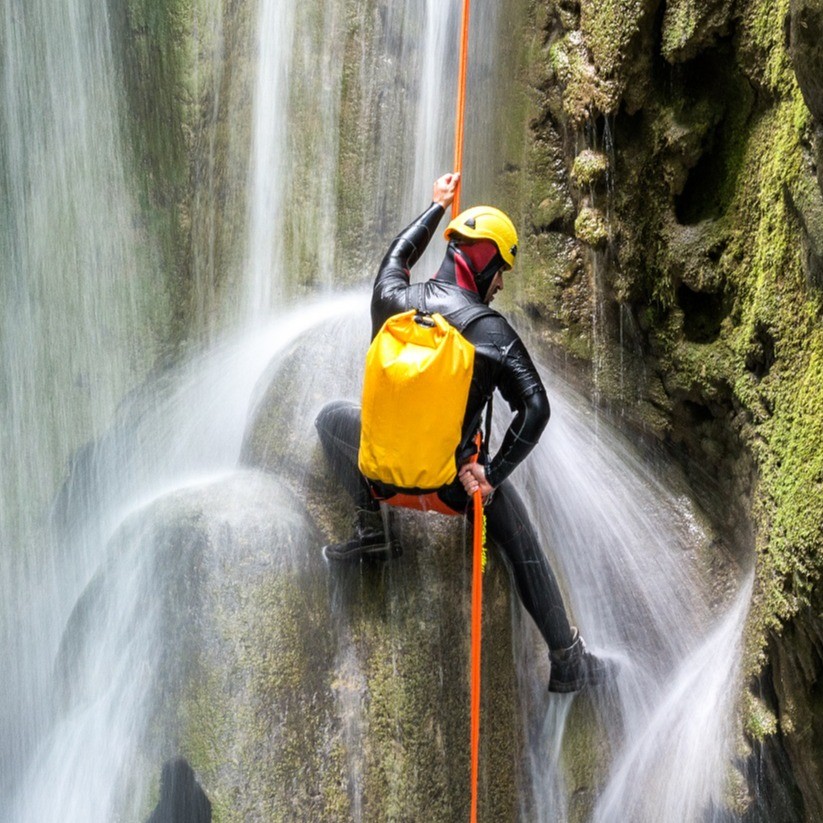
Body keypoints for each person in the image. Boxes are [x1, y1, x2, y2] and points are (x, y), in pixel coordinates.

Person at [315, 172, 609, 693]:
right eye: (501, 271)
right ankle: (567, 657)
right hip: (452, 491)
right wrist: (490, 474)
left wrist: (435, 208)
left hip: (382, 477)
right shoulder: (490, 332)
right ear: (485, 259)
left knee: (329, 420)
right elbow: (536, 409)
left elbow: (396, 257)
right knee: (520, 538)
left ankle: (370, 528)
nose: (500, 284)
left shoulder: (390, 300)